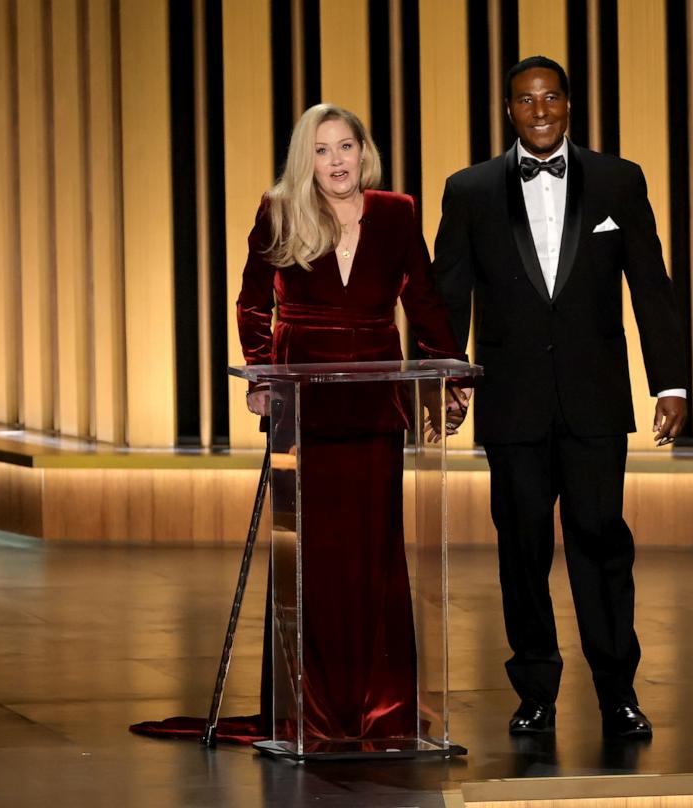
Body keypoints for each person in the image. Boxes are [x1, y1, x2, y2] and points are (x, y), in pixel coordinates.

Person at [130, 104, 467, 748]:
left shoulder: (396, 211)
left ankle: (379, 705)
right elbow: (253, 301)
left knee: (373, 555)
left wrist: (447, 373)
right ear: (303, 160)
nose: (336, 161)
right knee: (308, 555)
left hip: (375, 400)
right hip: (303, 402)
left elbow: (421, 298)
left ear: (363, 153)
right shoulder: (280, 209)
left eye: (346, 147)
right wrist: (262, 376)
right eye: (321, 150)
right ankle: (303, 708)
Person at [432, 56, 688, 740]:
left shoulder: (619, 179)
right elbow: (447, 297)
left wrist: (670, 381)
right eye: (525, 100)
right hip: (511, 403)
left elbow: (651, 288)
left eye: (550, 98)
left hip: (595, 401)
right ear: (508, 110)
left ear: (569, 105)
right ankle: (536, 693)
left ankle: (617, 694)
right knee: (520, 550)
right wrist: (446, 381)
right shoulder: (471, 189)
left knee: (602, 544)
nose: (539, 110)